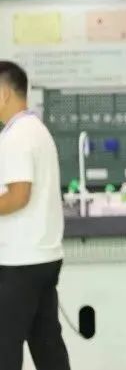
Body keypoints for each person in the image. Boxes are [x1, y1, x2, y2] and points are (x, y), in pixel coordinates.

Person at [0, 61, 70, 370]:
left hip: (20, 262)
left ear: (3, 93)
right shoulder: (36, 130)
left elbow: (19, 195)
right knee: (46, 343)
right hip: (43, 257)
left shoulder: (16, 136)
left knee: (5, 346)